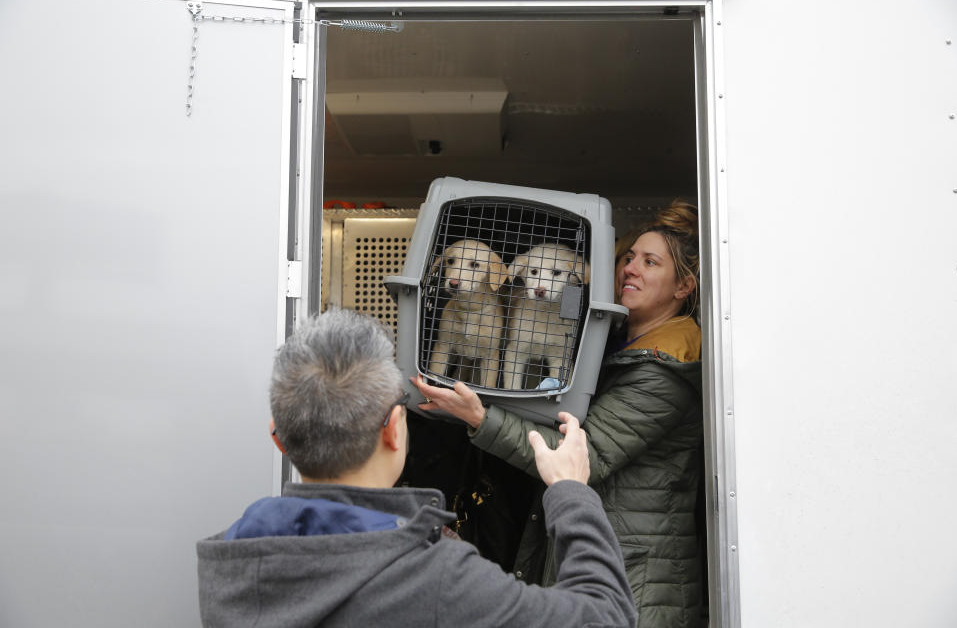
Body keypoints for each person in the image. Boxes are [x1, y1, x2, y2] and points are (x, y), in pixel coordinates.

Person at [196, 308, 637, 628]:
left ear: (279, 438)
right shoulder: (438, 578)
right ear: (394, 429)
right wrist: (570, 492)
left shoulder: (231, 557)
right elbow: (608, 616)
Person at [414, 199, 704, 627]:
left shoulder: (664, 371)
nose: (630, 268)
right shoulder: (617, 345)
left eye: (650, 262)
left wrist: (481, 418)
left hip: (636, 581)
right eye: (629, 257)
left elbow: (587, 455)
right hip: (605, 558)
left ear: (683, 287)